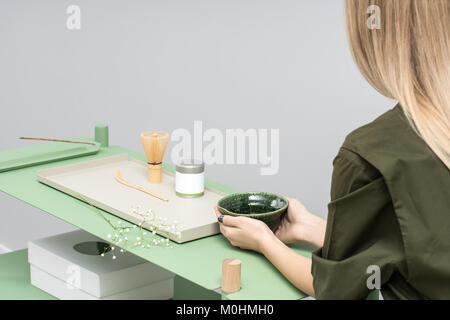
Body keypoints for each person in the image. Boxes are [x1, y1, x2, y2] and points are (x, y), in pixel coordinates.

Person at [215, 0, 450, 300]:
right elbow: (418, 246)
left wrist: (265, 242)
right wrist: (311, 228)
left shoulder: (370, 157)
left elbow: (335, 292)